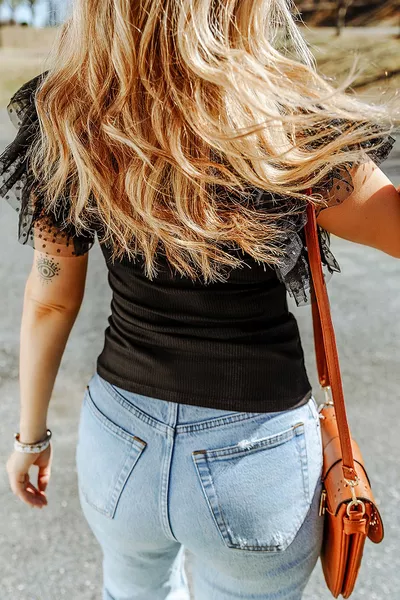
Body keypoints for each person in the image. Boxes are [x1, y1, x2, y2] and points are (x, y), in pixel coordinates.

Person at [1, 1, 399, 599]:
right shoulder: (285, 119)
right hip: (256, 456)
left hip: (120, 440)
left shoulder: (68, 112)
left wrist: (30, 438)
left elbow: (50, 300)